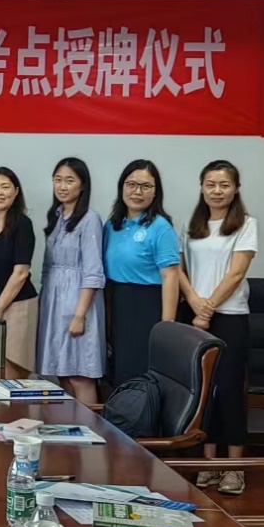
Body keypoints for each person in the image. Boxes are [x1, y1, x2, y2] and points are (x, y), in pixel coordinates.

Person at [179, 159, 257, 496]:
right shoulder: (191, 225)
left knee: (229, 390)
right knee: (203, 391)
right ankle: (208, 463)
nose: (217, 191)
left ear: (236, 189)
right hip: (194, 314)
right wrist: (194, 301)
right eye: (210, 184)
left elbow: (237, 272)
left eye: (224, 185)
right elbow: (178, 269)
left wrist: (208, 307)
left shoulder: (246, 225)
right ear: (201, 187)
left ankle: (234, 467)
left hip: (230, 316)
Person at [103, 159, 179, 388]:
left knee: (139, 370)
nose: (137, 191)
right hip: (116, 301)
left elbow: (171, 276)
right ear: (122, 187)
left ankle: (140, 412)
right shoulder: (112, 225)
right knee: (117, 367)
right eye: (131, 184)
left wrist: (167, 326)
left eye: (146, 186)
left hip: (146, 305)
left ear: (156, 192)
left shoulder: (160, 227)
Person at [37, 157, 106, 405]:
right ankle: (69, 426)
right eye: (58, 180)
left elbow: (93, 271)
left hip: (78, 302)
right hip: (53, 303)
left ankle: (90, 427)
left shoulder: (90, 219)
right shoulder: (56, 216)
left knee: (80, 374)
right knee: (63, 372)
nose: (62, 186)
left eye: (69, 181)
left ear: (82, 185)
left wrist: (79, 315)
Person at [0, 167, 38, 371]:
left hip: (17, 306)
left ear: (16, 191)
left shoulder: (23, 224)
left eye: (5, 187)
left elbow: (21, 273)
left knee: (12, 370)